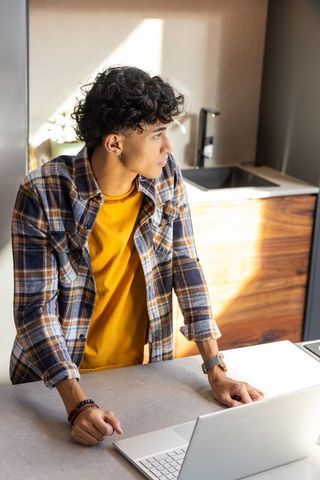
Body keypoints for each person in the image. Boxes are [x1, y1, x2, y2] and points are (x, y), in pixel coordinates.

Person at [10, 66, 263, 446]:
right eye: (158, 134)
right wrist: (77, 405)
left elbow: (185, 264)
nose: (168, 147)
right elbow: (35, 310)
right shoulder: (42, 191)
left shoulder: (166, 174)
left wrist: (216, 369)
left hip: (141, 373)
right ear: (115, 144)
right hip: (55, 383)